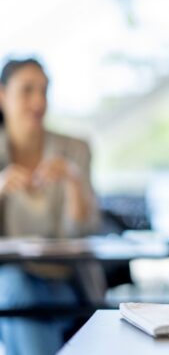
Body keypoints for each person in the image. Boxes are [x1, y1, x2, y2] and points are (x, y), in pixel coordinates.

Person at [0, 58, 101, 355]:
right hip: (11, 279)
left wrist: (74, 184)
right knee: (15, 289)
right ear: (2, 95)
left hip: (64, 281)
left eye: (44, 91)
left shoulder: (74, 151)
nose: (38, 101)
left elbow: (84, 232)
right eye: (27, 90)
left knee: (17, 307)